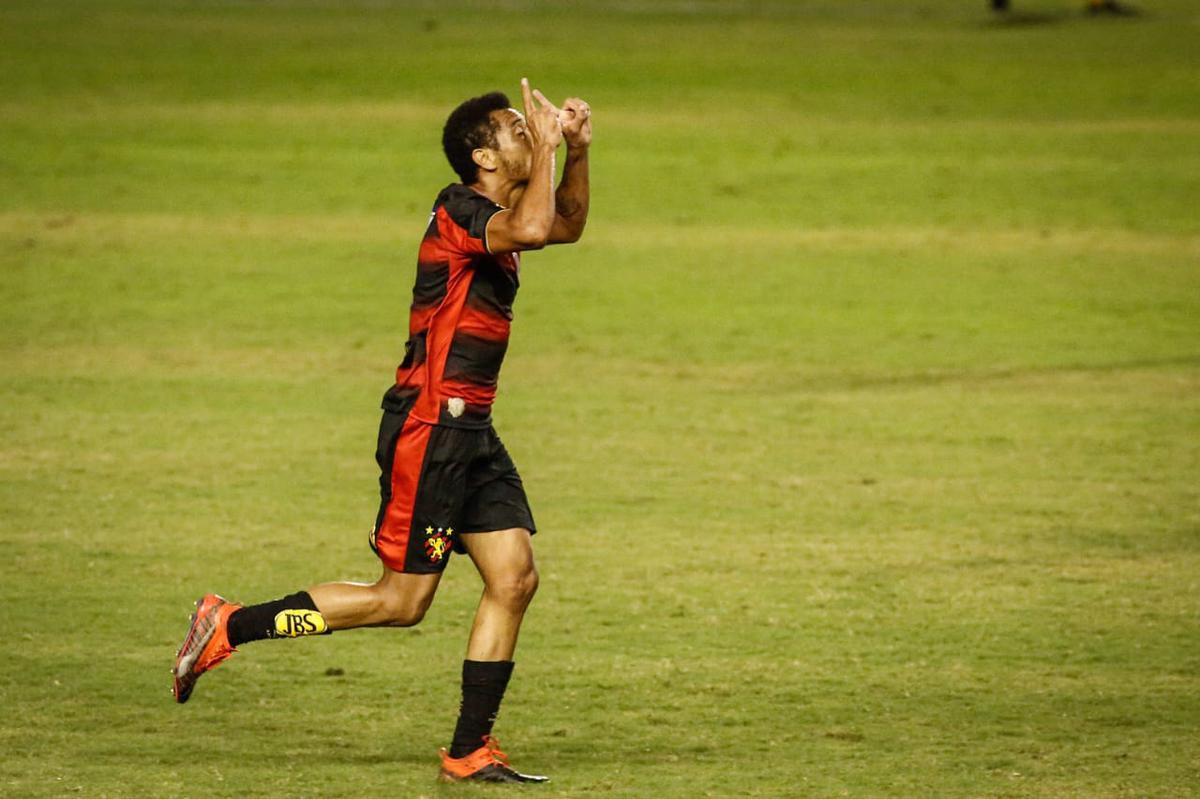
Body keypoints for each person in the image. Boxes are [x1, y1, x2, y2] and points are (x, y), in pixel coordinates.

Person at [171, 77, 591, 784]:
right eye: (516, 128)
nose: (529, 131)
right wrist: (550, 147)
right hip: (428, 428)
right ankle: (228, 623)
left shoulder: (506, 208)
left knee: (514, 578)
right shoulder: (461, 208)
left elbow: (564, 225)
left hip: (472, 431)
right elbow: (529, 228)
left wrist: (575, 151)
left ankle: (469, 748)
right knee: (400, 601)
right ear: (481, 155)